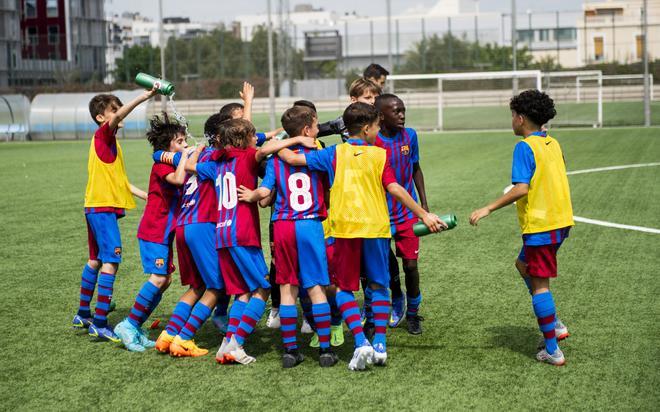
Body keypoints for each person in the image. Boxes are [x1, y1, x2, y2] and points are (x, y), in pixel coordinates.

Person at [277, 102, 447, 371]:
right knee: (379, 286)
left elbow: (290, 158)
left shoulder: (334, 153)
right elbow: (395, 188)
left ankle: (360, 341)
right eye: (377, 127)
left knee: (345, 288)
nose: (378, 131)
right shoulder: (380, 155)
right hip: (376, 229)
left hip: (344, 230)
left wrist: (290, 139)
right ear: (367, 128)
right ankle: (379, 343)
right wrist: (423, 214)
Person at [186, 118, 317, 365]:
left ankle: (227, 344)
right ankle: (238, 342)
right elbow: (267, 149)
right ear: (244, 140)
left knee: (241, 292)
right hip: (242, 232)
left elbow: (191, 165)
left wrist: (201, 151)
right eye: (252, 135)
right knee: (264, 287)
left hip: (221, 234)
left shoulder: (216, 163)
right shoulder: (247, 157)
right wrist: (298, 139)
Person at [469, 89, 573, 366]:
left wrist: (487, 208)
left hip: (541, 225)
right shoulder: (553, 142)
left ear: (521, 118)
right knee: (522, 264)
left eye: (513, 115)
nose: (512, 120)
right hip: (562, 221)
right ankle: (556, 324)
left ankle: (552, 349)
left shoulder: (524, 147)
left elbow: (521, 189)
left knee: (540, 286)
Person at [237, 105, 339, 368]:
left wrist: (252, 195)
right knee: (316, 288)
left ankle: (290, 351)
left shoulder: (275, 159)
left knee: (287, 289)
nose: (318, 130)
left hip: (282, 225)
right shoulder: (321, 154)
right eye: (316, 126)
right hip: (309, 224)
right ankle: (326, 350)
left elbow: (264, 191)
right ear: (307, 130)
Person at [73, 90, 153, 342]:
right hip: (102, 208)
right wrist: (144, 97)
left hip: (94, 206)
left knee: (95, 260)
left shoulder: (110, 142)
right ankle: (99, 322)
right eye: (113, 109)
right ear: (100, 117)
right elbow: (118, 116)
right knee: (111, 261)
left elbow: (122, 182)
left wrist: (147, 196)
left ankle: (83, 314)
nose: (118, 112)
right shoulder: (104, 133)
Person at [153, 113, 230, 357]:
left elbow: (158, 154)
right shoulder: (215, 158)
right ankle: (185, 337)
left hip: (184, 226)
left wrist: (189, 151)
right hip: (202, 224)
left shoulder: (192, 157)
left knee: (197, 286)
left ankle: (167, 335)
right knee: (218, 286)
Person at [114, 113, 189, 352]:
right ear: (168, 146)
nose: (184, 145)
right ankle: (128, 325)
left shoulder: (167, 160)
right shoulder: (161, 166)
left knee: (165, 281)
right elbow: (178, 179)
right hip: (154, 231)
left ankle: (136, 326)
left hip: (165, 233)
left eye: (184, 140)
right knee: (158, 279)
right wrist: (186, 156)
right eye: (180, 142)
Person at [373, 94, 428, 335]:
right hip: (380, 214)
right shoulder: (373, 141)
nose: (402, 115)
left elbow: (416, 168)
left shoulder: (410, 136)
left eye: (403, 110)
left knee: (411, 265)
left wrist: (424, 204)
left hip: (406, 213)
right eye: (396, 111)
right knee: (383, 268)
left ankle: (413, 314)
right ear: (382, 116)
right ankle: (391, 304)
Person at [317, 78, 382, 141]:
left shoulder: (382, 119)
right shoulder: (343, 122)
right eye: (368, 98)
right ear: (354, 100)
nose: (373, 101)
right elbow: (315, 131)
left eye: (376, 98)